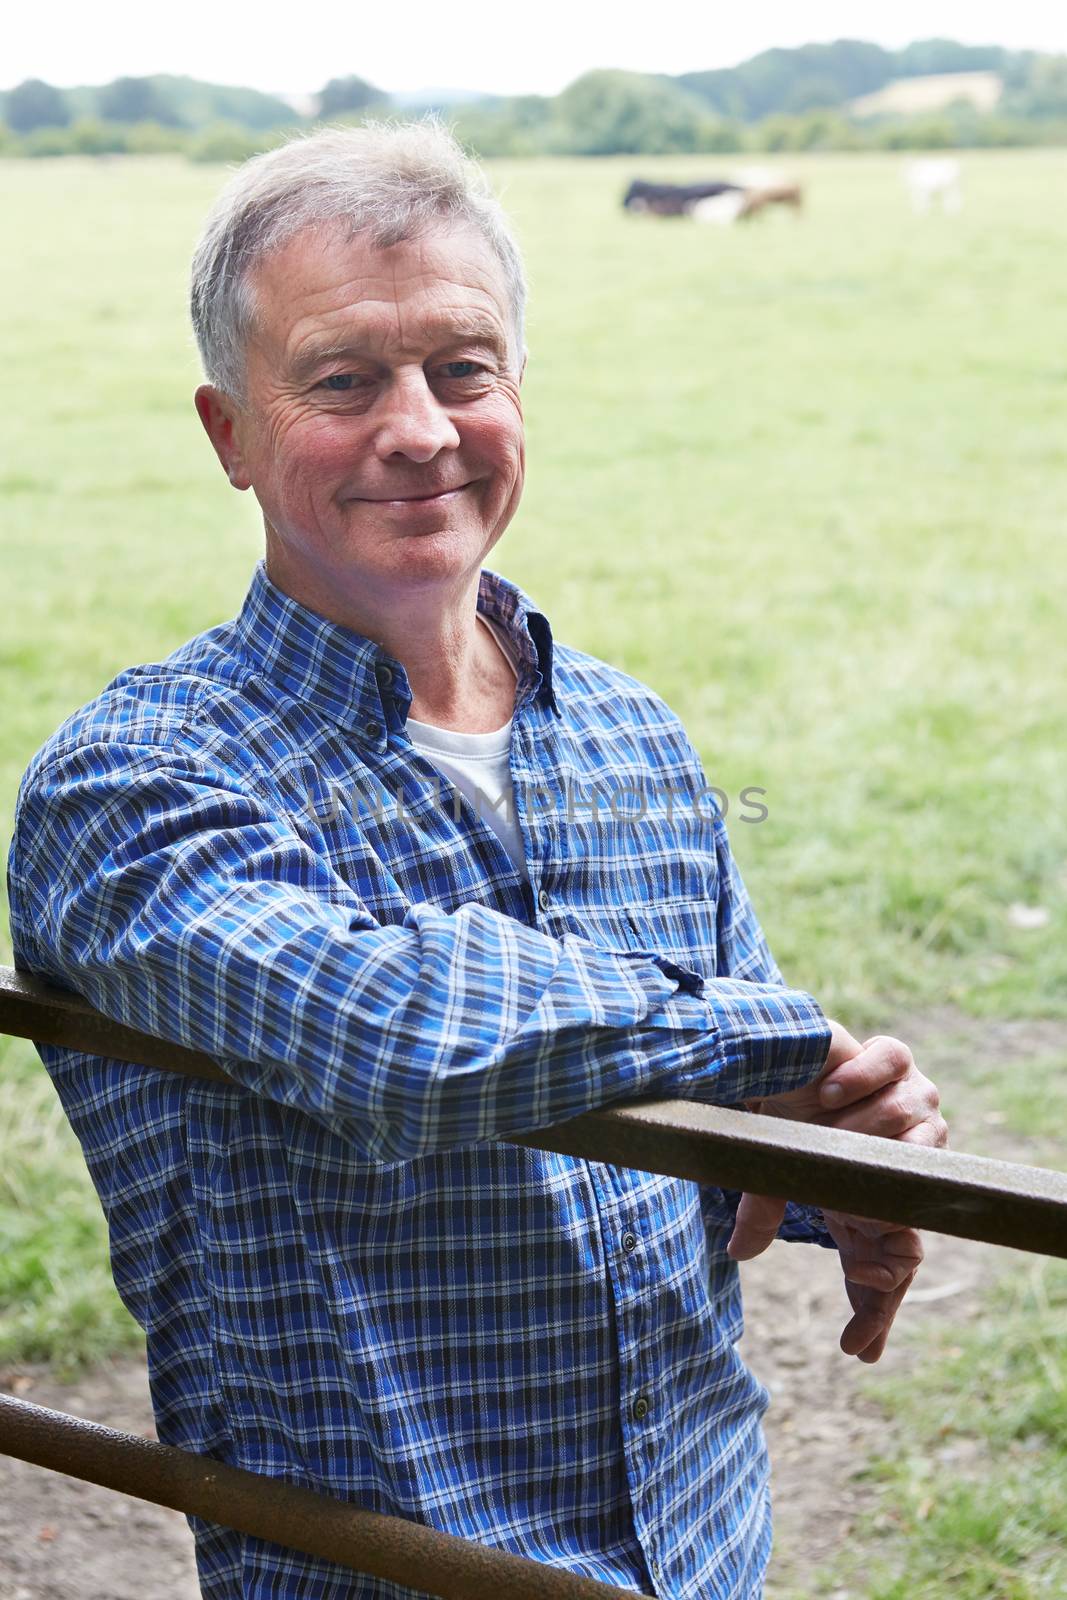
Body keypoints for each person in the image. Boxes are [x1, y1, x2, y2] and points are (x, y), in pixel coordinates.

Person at [6, 121, 946, 1599]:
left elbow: (722, 1099)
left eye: (465, 368)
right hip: (388, 1575)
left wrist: (847, 1152)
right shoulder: (129, 785)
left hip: (707, 1543)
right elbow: (397, 1037)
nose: (423, 428)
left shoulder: (627, 731)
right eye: (341, 379)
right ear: (227, 435)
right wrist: (774, 1035)